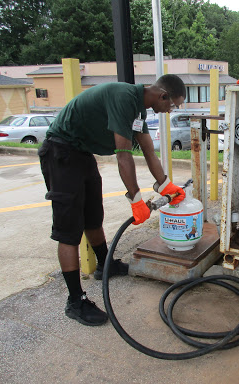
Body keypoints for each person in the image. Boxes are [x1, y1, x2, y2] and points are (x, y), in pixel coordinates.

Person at [38, 74, 186, 326]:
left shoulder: (140, 110)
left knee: (94, 217)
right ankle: (75, 301)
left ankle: (105, 265)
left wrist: (165, 185)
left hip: (81, 153)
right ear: (163, 96)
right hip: (60, 151)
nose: (170, 111)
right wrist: (136, 200)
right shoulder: (124, 98)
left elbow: (148, 150)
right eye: (173, 105)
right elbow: (123, 155)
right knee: (69, 231)